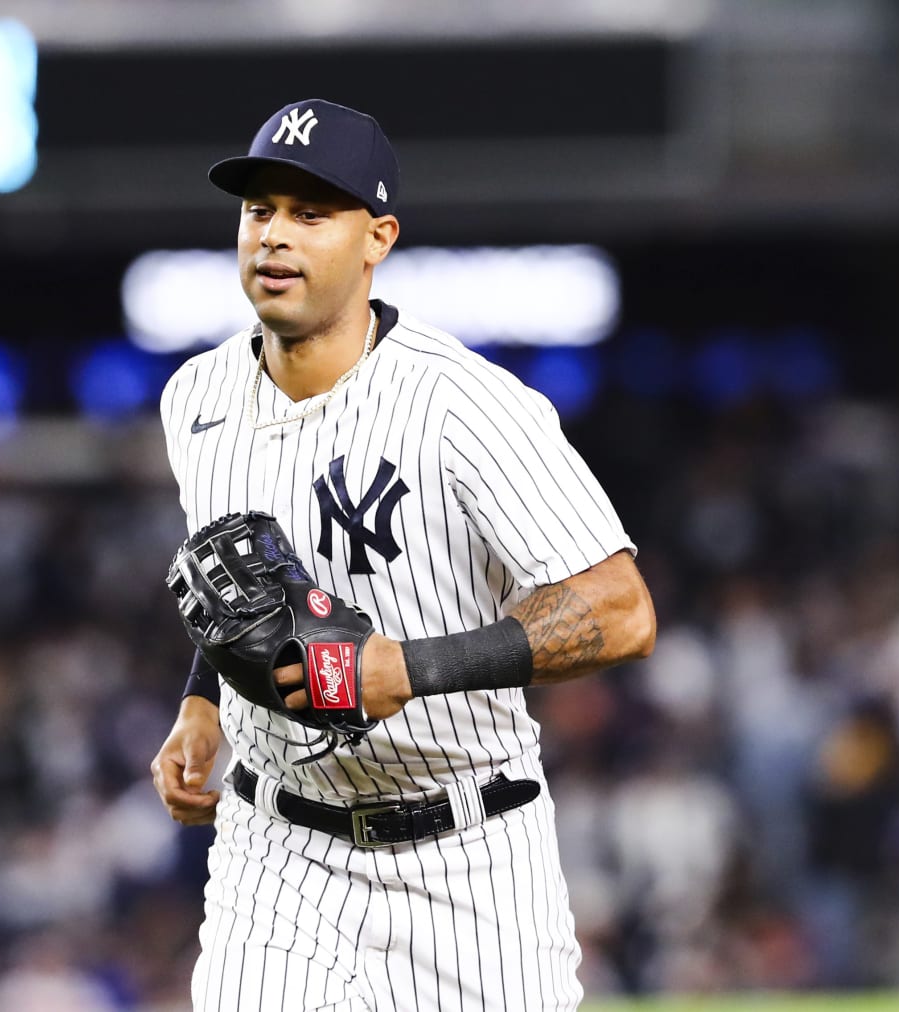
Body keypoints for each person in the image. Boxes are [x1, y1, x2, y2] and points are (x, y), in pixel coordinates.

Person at [149, 98, 655, 1011]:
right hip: (278, 857)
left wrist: (409, 670)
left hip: (467, 854)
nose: (275, 235)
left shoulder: (465, 406)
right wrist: (202, 705)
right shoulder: (197, 398)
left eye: (311, 213)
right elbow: (248, 593)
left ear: (377, 238)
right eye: (260, 210)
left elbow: (620, 611)